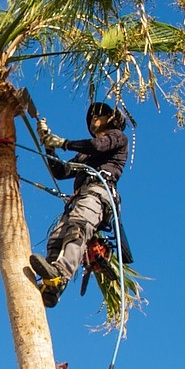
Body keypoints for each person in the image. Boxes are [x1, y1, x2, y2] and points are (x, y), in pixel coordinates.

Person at [30, 102, 129, 307]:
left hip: (98, 194)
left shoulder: (117, 137)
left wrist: (62, 142)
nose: (93, 119)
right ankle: (52, 285)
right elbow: (61, 171)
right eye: (91, 117)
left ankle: (61, 272)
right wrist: (48, 143)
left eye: (98, 115)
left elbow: (97, 146)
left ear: (111, 118)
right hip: (79, 198)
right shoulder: (86, 156)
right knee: (56, 238)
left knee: (78, 228)